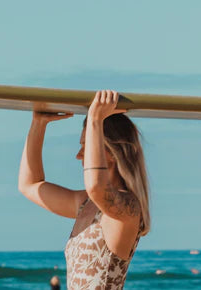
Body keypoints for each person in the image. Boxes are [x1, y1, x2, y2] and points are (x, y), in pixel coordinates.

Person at [18, 90, 150, 289]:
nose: (79, 156)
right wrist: (39, 124)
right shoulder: (86, 203)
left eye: (85, 145)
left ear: (113, 152)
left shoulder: (128, 208)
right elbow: (29, 185)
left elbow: (97, 186)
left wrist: (96, 118)